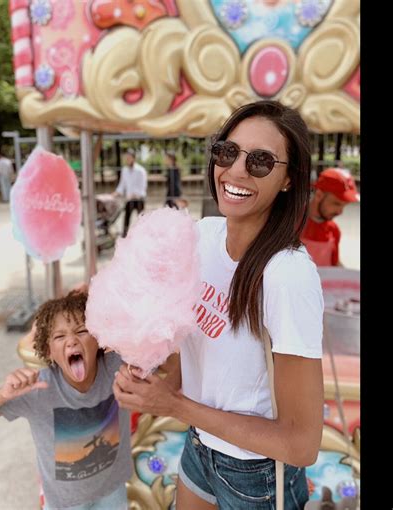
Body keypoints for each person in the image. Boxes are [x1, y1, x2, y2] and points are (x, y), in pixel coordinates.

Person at [113, 100, 324, 509]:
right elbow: (192, 356)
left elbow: (301, 444)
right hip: (200, 445)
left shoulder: (286, 275)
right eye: (227, 151)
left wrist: (174, 405)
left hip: (255, 472)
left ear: (287, 180)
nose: (237, 170)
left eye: (261, 161)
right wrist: (151, 377)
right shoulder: (201, 236)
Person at [0, 290, 132, 510]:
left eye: (82, 331)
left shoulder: (116, 366)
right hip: (64, 503)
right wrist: (1, 395)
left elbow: (165, 357)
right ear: (48, 351)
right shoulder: (38, 388)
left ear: (99, 340)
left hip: (112, 490)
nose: (71, 341)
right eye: (60, 336)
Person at [301, 167, 360, 266]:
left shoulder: (333, 230)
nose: (340, 212)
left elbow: (335, 264)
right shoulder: (289, 222)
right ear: (319, 195)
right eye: (336, 204)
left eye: (344, 205)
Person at [112, 148, 147, 237]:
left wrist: (136, 194)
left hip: (139, 199)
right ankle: (125, 236)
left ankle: (143, 235)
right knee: (126, 218)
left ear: (133, 158)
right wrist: (116, 193)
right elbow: (122, 185)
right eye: (126, 158)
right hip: (129, 199)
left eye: (129, 157)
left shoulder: (141, 170)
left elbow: (143, 186)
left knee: (141, 219)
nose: (127, 159)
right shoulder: (124, 170)